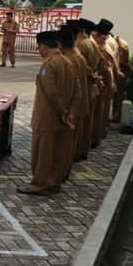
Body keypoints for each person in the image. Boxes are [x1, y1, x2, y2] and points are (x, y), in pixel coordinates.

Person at [18, 31, 75, 195]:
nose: (38, 50)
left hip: (48, 118)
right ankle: (54, 182)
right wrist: (69, 112)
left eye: (40, 46)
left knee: (42, 153)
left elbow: (51, 94)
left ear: (48, 46)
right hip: (61, 118)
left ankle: (39, 183)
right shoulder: (67, 61)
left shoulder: (49, 64)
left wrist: (62, 112)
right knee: (57, 152)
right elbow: (77, 90)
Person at [58, 25, 92, 165]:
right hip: (80, 101)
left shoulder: (70, 59)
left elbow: (68, 87)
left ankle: (66, 165)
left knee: (68, 139)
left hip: (73, 104)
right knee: (76, 134)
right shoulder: (76, 55)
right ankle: (77, 154)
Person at [74, 19, 104, 149]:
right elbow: (102, 61)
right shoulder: (92, 43)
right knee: (88, 120)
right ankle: (84, 149)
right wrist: (97, 74)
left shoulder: (82, 45)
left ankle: (78, 150)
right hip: (91, 84)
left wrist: (92, 75)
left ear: (80, 31)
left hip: (84, 83)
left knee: (81, 121)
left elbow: (82, 65)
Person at [91, 19, 117, 141]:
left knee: (99, 113)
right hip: (104, 83)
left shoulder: (104, 50)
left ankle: (96, 137)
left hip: (103, 84)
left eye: (94, 36)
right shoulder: (102, 47)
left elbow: (108, 70)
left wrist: (109, 84)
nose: (92, 38)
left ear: (102, 37)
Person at [112, 29, 132, 123]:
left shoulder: (119, 45)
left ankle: (117, 116)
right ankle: (116, 115)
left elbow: (122, 61)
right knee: (118, 96)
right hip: (121, 72)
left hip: (120, 73)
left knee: (118, 96)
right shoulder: (121, 43)